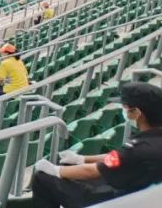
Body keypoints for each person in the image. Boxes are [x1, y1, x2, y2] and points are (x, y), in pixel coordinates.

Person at [29, 82, 162, 207]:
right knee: (69, 166)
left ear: (137, 113)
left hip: (116, 200)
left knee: (42, 178)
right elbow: (117, 158)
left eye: (126, 108)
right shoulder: (151, 140)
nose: (124, 111)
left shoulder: (138, 148)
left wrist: (56, 170)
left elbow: (91, 171)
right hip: (137, 193)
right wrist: (82, 159)